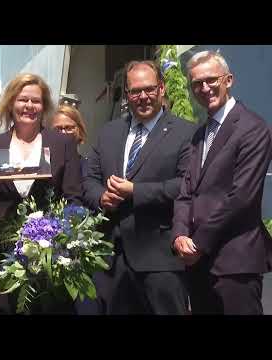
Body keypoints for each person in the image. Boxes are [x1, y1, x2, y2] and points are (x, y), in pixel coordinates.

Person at [0, 73, 82, 314]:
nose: (29, 106)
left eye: (35, 101)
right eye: (22, 99)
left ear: (44, 105)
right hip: (0, 254)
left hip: (49, 256)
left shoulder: (61, 144)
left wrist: (63, 239)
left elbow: (73, 196)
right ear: (10, 104)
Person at [83, 60, 196, 314]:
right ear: (127, 94)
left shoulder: (185, 132)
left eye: (149, 89)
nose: (143, 96)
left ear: (162, 89)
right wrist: (102, 198)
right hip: (112, 261)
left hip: (161, 259)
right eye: (135, 91)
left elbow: (186, 185)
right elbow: (89, 179)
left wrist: (135, 191)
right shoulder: (109, 132)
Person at [172, 51, 272, 315]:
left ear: (228, 80)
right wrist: (180, 234)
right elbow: (186, 192)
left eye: (211, 80)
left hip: (235, 265)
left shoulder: (253, 128)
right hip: (199, 265)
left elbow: (241, 197)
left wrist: (199, 243)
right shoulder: (199, 135)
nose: (204, 88)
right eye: (196, 83)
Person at [50, 104, 88, 176]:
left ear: (80, 130)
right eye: (58, 128)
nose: (63, 133)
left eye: (69, 128)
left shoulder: (88, 170)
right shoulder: (43, 167)